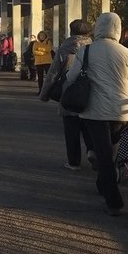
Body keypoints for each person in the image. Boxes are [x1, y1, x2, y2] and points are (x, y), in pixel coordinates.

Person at [65, 12, 128, 216]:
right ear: (118, 29)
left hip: (93, 112)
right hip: (121, 112)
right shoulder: (127, 54)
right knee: (109, 152)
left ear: (98, 28)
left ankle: (113, 201)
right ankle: (103, 184)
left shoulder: (85, 51)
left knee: (103, 155)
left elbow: (71, 76)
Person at [39, 19, 95, 170]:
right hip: (90, 93)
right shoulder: (95, 48)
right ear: (89, 32)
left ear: (71, 31)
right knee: (90, 126)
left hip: (69, 93)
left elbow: (53, 73)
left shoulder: (64, 48)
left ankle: (74, 162)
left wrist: (44, 94)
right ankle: (92, 150)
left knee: (71, 130)